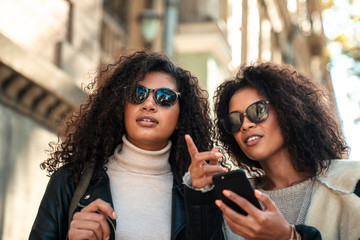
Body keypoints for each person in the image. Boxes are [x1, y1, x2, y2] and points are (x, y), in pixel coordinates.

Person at [29, 50, 222, 240]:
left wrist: (202, 199)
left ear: (181, 116)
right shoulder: (70, 181)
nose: (148, 104)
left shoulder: (197, 192)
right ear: (121, 107)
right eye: (137, 93)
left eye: (165, 97)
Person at [185, 61, 360, 239]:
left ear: (289, 110)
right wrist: (201, 197)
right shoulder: (235, 199)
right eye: (235, 120)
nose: (245, 125)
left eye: (258, 110)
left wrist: (288, 236)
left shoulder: (351, 182)